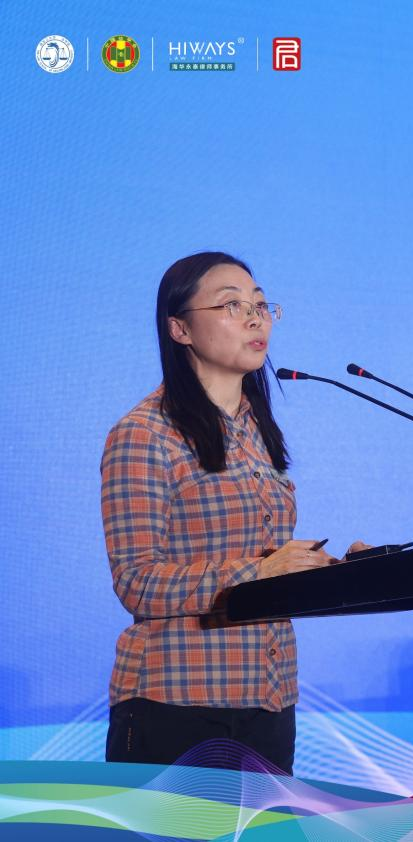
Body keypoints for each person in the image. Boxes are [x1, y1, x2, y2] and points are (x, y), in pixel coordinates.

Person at [101, 251, 367, 773]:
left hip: (269, 700)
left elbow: (265, 564)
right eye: (232, 305)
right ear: (179, 328)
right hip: (177, 705)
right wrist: (259, 572)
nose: (254, 318)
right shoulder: (144, 434)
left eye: (261, 305)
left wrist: (333, 572)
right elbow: (136, 582)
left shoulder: (257, 433)